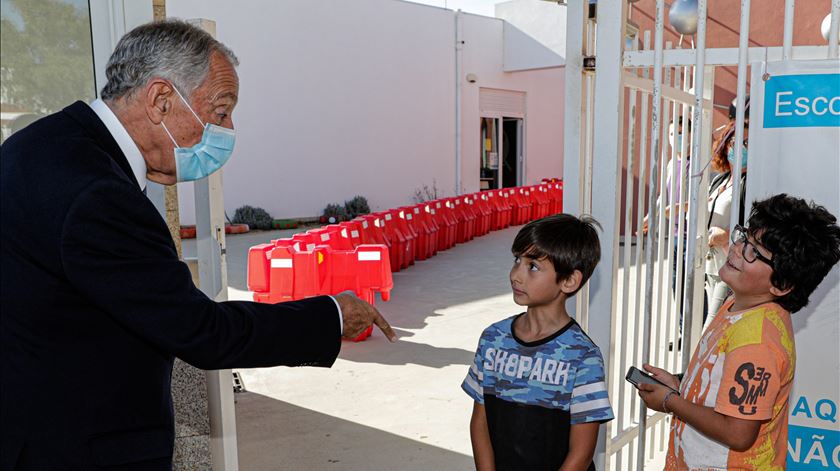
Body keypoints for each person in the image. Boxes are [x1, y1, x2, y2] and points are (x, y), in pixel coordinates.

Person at [0, 20, 395, 469]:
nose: (227, 130)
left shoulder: (40, 145)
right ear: (160, 100)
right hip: (78, 446)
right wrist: (332, 315)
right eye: (221, 111)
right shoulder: (98, 192)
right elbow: (202, 331)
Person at [637, 194, 840, 470]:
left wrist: (671, 402)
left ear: (781, 285)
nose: (736, 249)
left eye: (754, 252)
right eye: (745, 237)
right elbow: (724, 380)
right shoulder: (739, 303)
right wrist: (681, 386)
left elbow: (738, 433)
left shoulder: (758, 342)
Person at [462, 214, 614, 470]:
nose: (516, 275)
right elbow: (480, 423)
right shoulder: (493, 339)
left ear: (569, 280)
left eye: (532, 266)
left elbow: (581, 454)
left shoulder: (582, 356)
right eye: (516, 261)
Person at [704, 100, 749, 327]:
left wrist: (726, 235)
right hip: (707, 268)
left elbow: (751, 228)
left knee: (708, 331)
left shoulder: (749, 183)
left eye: (746, 143)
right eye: (734, 142)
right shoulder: (719, 180)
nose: (739, 148)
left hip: (729, 269)